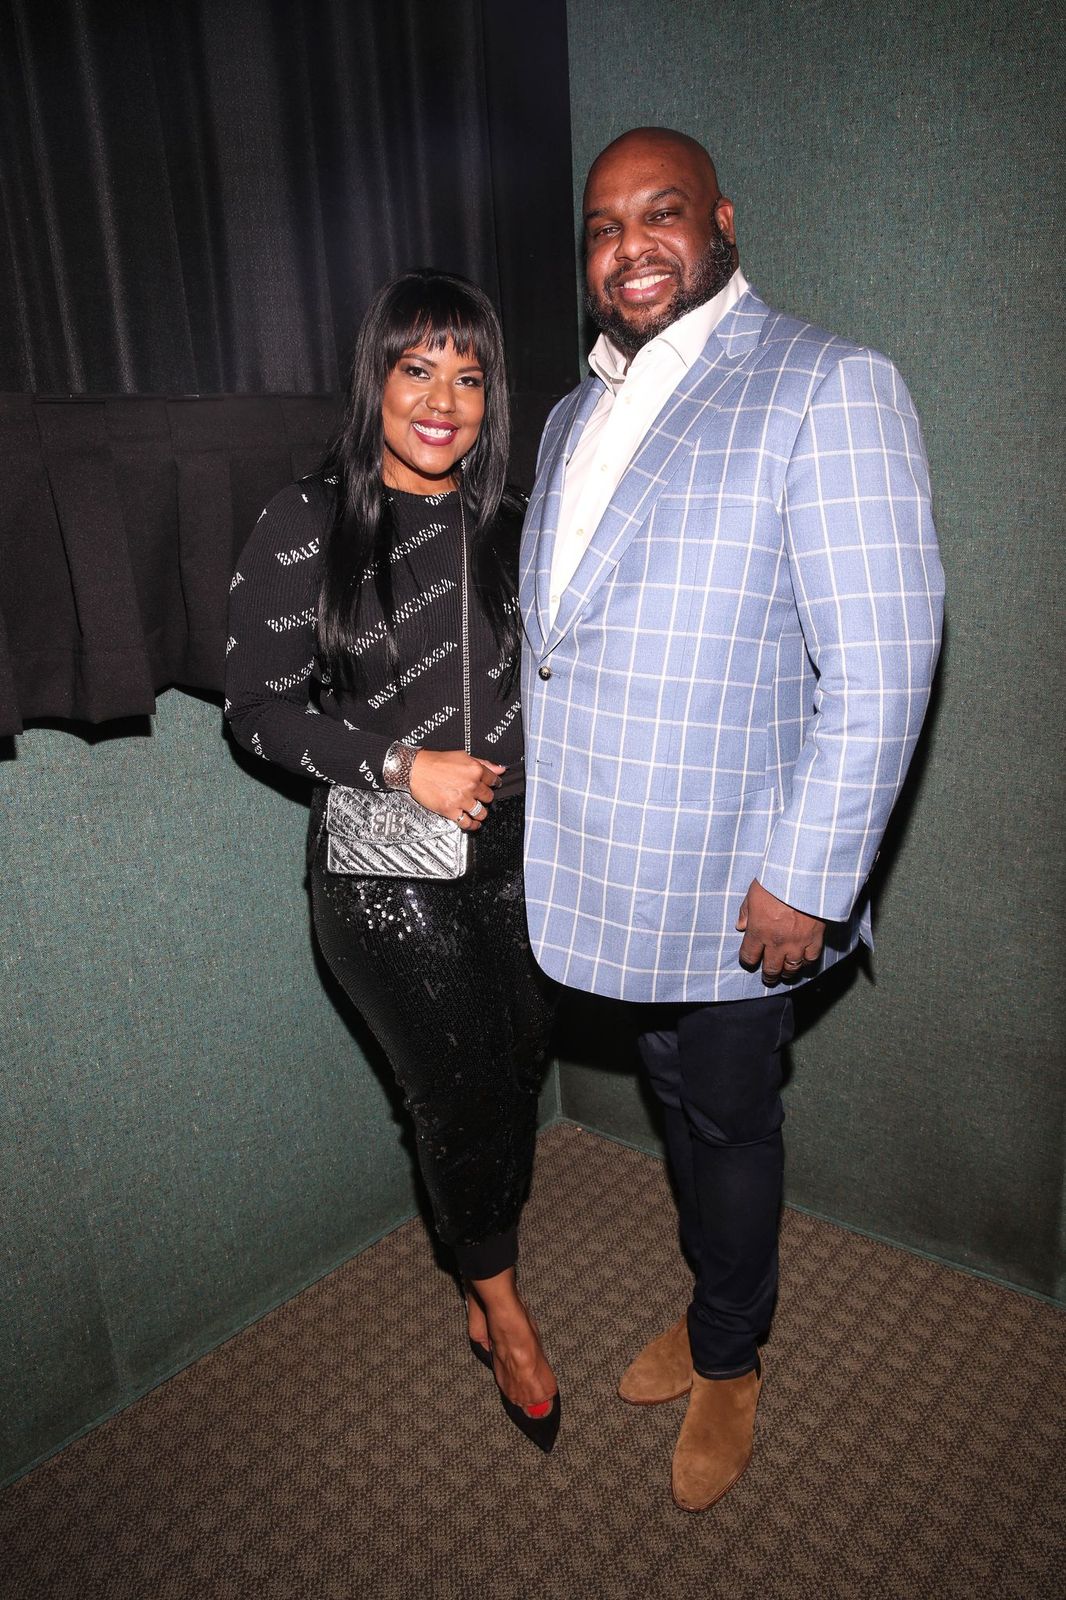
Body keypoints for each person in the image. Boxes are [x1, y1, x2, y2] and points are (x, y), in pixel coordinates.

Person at [520, 129, 944, 1506]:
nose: (626, 248)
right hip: (612, 868)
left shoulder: (825, 385)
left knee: (729, 1121)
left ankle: (731, 1355)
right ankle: (715, 1304)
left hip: (741, 879)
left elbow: (882, 661)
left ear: (719, 222)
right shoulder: (571, 413)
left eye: (659, 215)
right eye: (600, 227)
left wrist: (809, 879)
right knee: (678, 1115)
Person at [225, 270, 559, 1451]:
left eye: (469, 376)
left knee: (518, 1063)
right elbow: (255, 710)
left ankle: (480, 1239)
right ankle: (500, 1307)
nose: (444, 398)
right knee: (458, 1087)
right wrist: (395, 764)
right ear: (375, 379)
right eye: (418, 367)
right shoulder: (307, 519)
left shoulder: (517, 525)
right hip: (382, 873)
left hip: (523, 852)